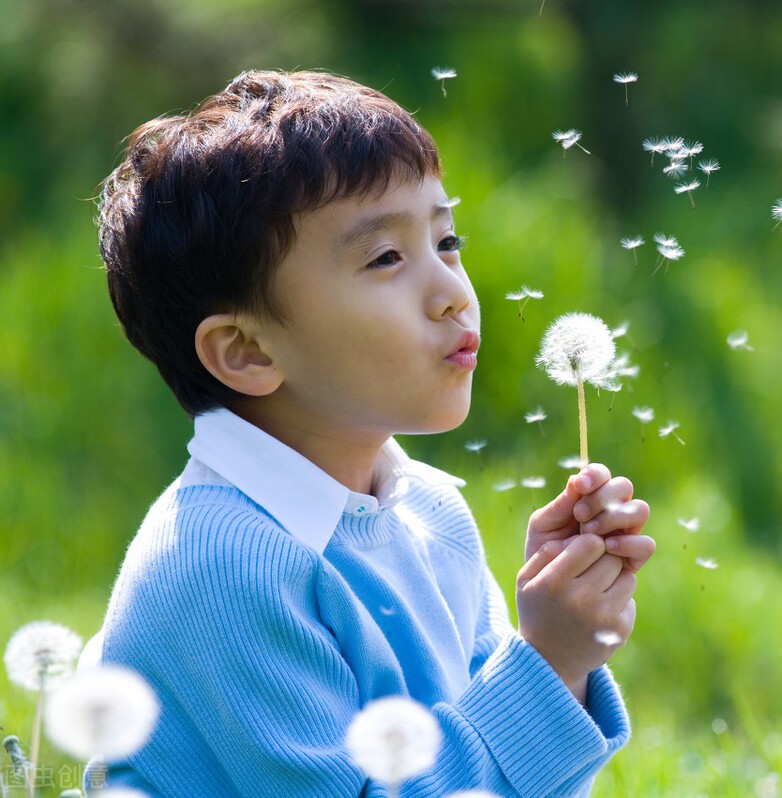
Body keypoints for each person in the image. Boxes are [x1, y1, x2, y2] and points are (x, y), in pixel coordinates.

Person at [83, 69, 655, 797]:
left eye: (448, 241)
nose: (453, 293)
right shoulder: (222, 565)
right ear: (248, 352)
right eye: (386, 258)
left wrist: (560, 647)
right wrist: (546, 664)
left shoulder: (431, 513)